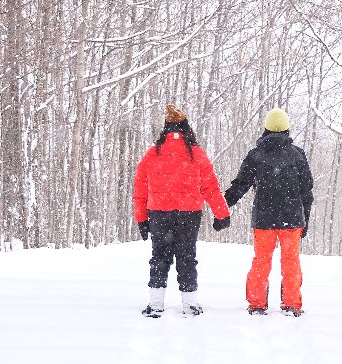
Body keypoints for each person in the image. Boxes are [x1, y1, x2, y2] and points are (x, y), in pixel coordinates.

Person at [132, 104, 231, 317]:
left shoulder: (152, 154)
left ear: (165, 129)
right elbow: (210, 187)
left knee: (159, 257)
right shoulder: (196, 154)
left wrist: (141, 218)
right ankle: (190, 304)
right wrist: (221, 213)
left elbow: (140, 188)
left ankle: (156, 304)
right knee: (187, 257)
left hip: (159, 213)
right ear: (186, 128)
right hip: (189, 213)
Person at [224, 108, 314, 317]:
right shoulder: (297, 155)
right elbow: (306, 190)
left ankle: (257, 304)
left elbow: (241, 184)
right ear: (286, 129)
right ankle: (291, 304)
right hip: (291, 220)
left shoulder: (256, 155)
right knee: (291, 263)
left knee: (261, 261)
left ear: (266, 128)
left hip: (264, 218)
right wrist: (305, 219)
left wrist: (224, 203)